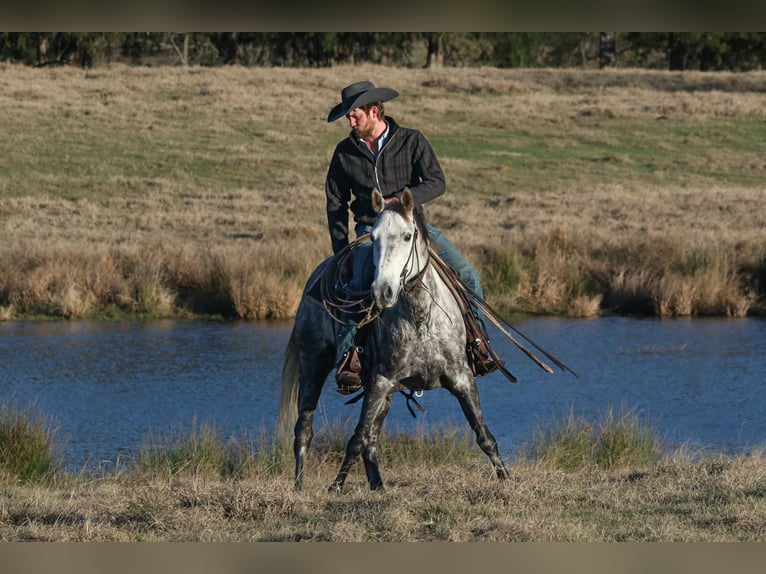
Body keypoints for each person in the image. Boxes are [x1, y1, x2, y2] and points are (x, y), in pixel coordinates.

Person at [325, 80, 495, 394]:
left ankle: (478, 344)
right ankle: (349, 357)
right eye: (349, 117)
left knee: (468, 275)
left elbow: (437, 182)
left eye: (354, 116)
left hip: (413, 229)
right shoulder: (344, 153)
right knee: (353, 286)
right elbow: (335, 205)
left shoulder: (411, 141)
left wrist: (405, 197)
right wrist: (342, 252)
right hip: (369, 233)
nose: (350, 122)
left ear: (374, 111)